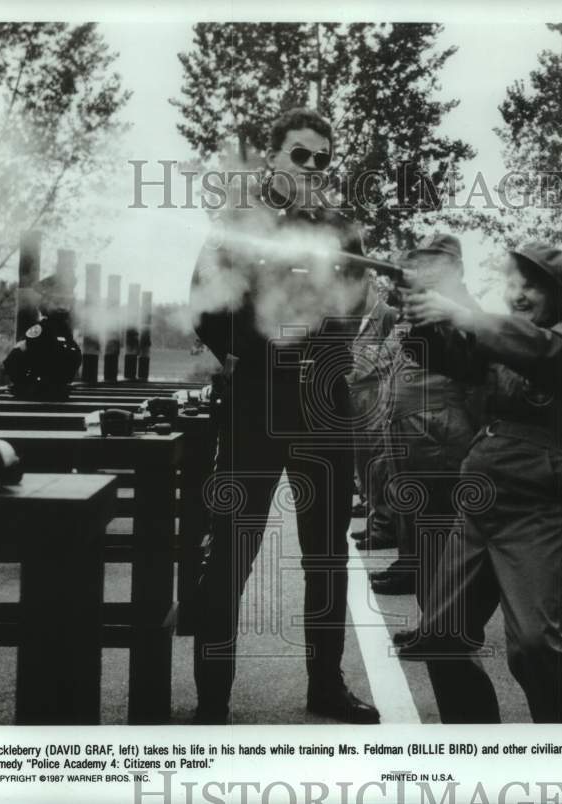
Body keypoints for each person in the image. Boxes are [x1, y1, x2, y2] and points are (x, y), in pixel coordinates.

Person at [188, 107, 379, 725]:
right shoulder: (237, 226)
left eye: (323, 159)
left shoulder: (343, 230)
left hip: (324, 402)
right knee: (231, 552)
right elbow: (203, 306)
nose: (313, 169)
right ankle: (212, 696)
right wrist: (243, 357)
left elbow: (356, 306)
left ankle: (326, 685)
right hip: (255, 404)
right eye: (301, 155)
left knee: (327, 554)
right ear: (271, 157)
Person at [397, 242, 562, 724]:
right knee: (440, 636)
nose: (517, 293)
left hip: (535, 498)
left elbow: (545, 352)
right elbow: (447, 357)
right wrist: (421, 311)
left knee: (533, 646)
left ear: (557, 293)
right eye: (512, 282)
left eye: (531, 285)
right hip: (480, 493)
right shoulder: (495, 337)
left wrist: (465, 315)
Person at [369, 234, 481, 609]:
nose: (428, 271)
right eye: (424, 263)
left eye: (438, 263)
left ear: (459, 269)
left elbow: (470, 373)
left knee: (436, 536)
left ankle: (442, 632)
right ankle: (434, 627)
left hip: (438, 436)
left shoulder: (458, 308)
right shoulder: (434, 307)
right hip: (418, 434)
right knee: (421, 532)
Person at [346, 277, 399, 551]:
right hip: (355, 399)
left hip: (377, 398)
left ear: (370, 289)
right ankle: (373, 515)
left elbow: (392, 356)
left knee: (378, 463)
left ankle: (384, 524)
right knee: (363, 460)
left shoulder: (388, 314)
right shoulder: (352, 317)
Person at [3, 274, 82, 400]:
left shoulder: (64, 331)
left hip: (57, 391)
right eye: (57, 302)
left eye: (67, 303)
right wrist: (26, 385)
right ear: (45, 303)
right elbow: (15, 361)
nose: (63, 307)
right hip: (36, 393)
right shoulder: (40, 330)